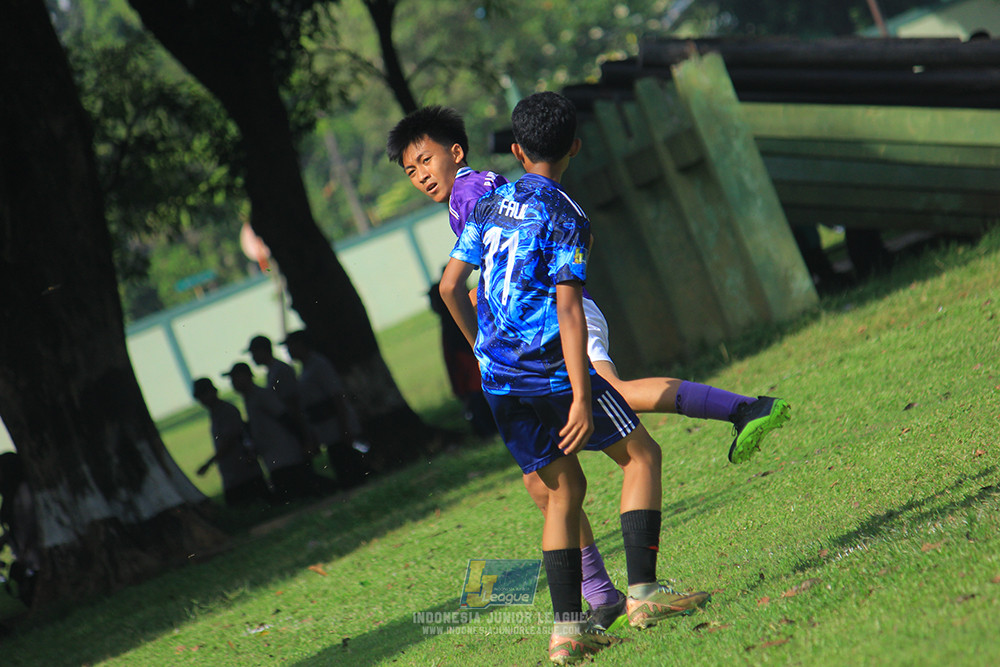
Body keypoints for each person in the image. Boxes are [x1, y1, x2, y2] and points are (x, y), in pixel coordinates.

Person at [387, 105, 791, 629]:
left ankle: (743, 409)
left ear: (460, 153)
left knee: (606, 408)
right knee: (549, 484)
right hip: (529, 337)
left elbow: (489, 273)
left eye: (424, 161)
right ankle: (601, 598)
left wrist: (486, 343)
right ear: (573, 147)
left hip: (550, 324)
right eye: (410, 169)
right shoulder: (486, 192)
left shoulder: (475, 194)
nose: (419, 174)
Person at [439, 91, 711, 664]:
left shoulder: (490, 204)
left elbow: (449, 287)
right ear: (576, 148)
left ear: (514, 150)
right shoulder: (568, 214)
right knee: (641, 456)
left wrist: (482, 350)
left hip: (500, 382)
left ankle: (567, 633)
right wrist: (582, 394)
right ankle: (644, 595)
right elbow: (568, 310)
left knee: (563, 493)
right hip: (549, 372)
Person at [224, 362, 337, 501]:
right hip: (276, 456)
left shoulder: (261, 395)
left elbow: (285, 417)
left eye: (235, 378)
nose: (233, 383)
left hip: (284, 453)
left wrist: (304, 441)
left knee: (300, 488)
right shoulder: (251, 398)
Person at [281, 330, 372, 490]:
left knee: (349, 466)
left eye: (291, 346)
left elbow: (336, 396)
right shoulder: (306, 368)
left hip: (335, 424)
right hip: (327, 428)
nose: (288, 351)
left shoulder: (319, 365)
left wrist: (344, 427)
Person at [428, 278, 497, 437]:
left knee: (486, 425)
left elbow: (459, 360)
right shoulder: (457, 318)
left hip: (476, 383)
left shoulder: (455, 322)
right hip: (477, 383)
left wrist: (461, 389)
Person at [192, 378, 272, 507]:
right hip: (235, 470)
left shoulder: (226, 411)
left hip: (242, 468)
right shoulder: (218, 412)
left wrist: (210, 462)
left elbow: (230, 439)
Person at [247, 334, 317, 458]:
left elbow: (293, 402)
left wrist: (303, 435)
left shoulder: (280, 370)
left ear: (263, 351)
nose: (253, 358)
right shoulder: (273, 371)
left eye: (254, 353)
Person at [0, 452, 40, 606]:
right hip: (26, 555)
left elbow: (30, 522)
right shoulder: (11, 494)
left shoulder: (23, 491)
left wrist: (24, 550)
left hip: (32, 555)